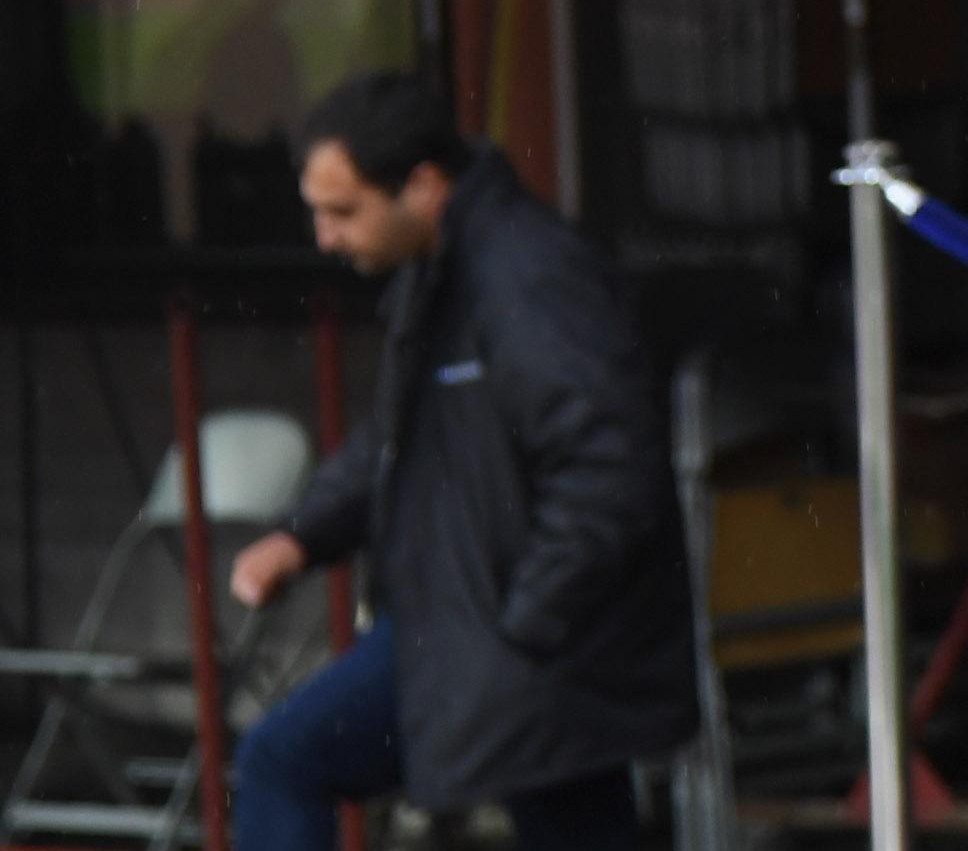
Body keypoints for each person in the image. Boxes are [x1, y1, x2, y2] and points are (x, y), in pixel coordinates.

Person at [226, 73, 697, 850]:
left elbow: (610, 468)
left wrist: (525, 626)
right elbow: (402, 435)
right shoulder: (446, 264)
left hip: (513, 638)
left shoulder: (526, 274)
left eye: (343, 211)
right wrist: (302, 534)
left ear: (423, 185)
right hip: (486, 629)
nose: (326, 238)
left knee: (284, 760)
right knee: (286, 759)